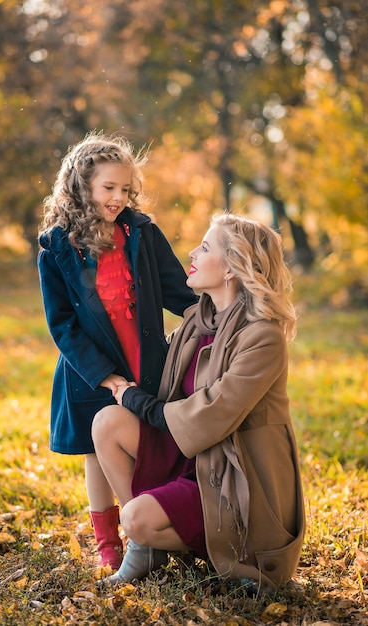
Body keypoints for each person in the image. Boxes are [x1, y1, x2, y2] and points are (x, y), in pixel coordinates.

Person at [92, 212, 305, 593]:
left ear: (231, 269)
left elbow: (211, 416)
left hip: (234, 474)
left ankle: (222, 554)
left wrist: (137, 401)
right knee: (107, 422)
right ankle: (148, 548)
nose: (191, 251)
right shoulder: (198, 323)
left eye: (204, 247)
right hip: (191, 455)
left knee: (135, 517)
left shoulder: (263, 337)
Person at [37, 131, 198, 571]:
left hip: (143, 360)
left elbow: (177, 289)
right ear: (81, 185)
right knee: (97, 452)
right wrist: (104, 375)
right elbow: (62, 325)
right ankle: (112, 542)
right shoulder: (56, 247)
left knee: (145, 442)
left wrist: (216, 316)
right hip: (89, 368)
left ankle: (149, 525)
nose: (118, 197)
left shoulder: (141, 232)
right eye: (108, 187)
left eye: (125, 189)